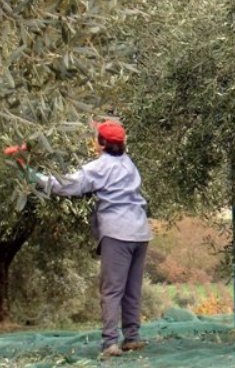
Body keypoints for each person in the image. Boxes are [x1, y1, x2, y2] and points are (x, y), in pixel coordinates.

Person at [33, 120, 152, 357]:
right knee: (131, 289)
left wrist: (34, 176)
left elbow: (67, 185)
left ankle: (110, 343)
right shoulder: (129, 164)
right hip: (140, 231)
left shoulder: (100, 167)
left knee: (111, 290)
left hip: (117, 232)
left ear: (102, 144)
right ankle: (132, 337)